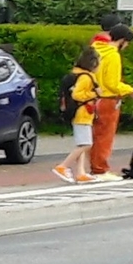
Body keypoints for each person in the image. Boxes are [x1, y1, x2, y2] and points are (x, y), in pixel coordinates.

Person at [89, 22, 133, 180]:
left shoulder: (95, 49)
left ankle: (94, 167)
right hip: (108, 99)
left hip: (91, 97)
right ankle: (101, 169)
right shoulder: (113, 55)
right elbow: (112, 83)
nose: (127, 46)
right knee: (105, 136)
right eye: (127, 43)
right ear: (122, 40)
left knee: (93, 136)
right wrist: (130, 90)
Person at [53, 43, 99, 184]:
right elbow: (78, 95)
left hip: (81, 114)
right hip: (82, 114)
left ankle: (81, 172)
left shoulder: (78, 74)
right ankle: (63, 166)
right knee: (86, 144)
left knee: (81, 143)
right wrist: (94, 93)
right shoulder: (86, 77)